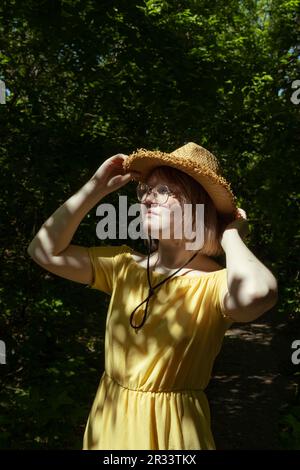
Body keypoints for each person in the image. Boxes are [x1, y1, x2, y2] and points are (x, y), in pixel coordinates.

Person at [27, 142, 278, 450]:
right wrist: (94, 189)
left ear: (197, 207)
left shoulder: (216, 283)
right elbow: (42, 251)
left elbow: (259, 293)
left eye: (163, 192)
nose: (146, 198)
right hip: (108, 424)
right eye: (145, 191)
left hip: (171, 434)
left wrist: (231, 236)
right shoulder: (124, 266)